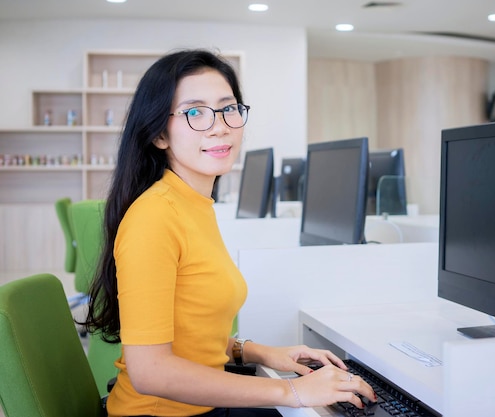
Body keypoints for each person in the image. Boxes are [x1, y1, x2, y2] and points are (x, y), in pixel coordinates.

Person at [82, 48, 376, 417]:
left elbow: (192, 332)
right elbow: (150, 371)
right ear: (159, 134)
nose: (219, 125)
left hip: (199, 405)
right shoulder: (155, 217)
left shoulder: (193, 204)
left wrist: (258, 352)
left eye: (228, 108)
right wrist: (290, 390)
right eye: (195, 112)